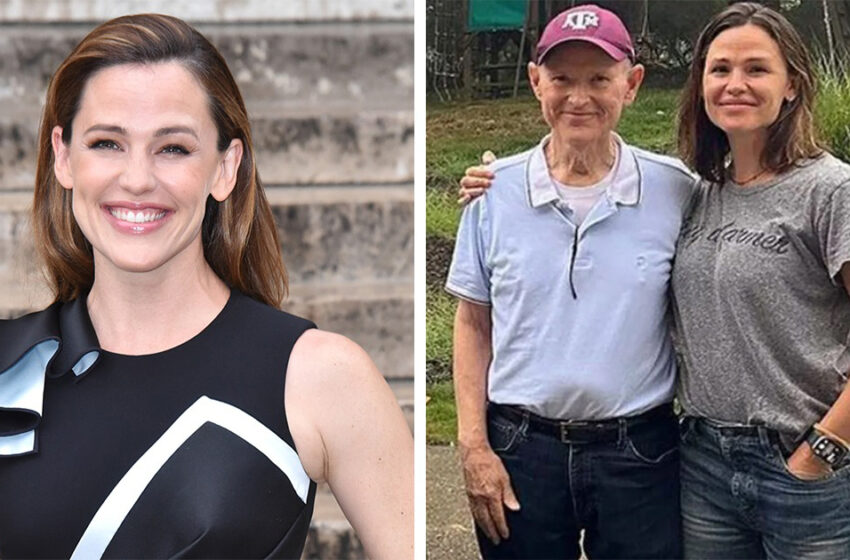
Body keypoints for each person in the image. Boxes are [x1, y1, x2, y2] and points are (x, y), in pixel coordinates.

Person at [0, 14, 412, 559]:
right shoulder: (7, 365)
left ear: (226, 167)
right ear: (62, 156)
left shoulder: (319, 376)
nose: (138, 178)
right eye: (106, 143)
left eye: (173, 148)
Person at [446, 4, 694, 558]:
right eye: (561, 79)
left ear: (631, 86)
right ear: (537, 83)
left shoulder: (676, 191)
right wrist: (473, 446)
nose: (578, 98)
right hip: (520, 447)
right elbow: (472, 321)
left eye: (599, 80)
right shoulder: (493, 193)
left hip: (639, 452)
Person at [673, 3, 850, 557]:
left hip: (801, 465)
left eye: (756, 69)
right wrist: (499, 181)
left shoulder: (829, 190)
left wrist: (825, 447)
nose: (735, 84)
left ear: (792, 85)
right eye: (720, 69)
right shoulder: (698, 192)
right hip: (702, 464)